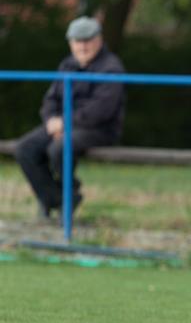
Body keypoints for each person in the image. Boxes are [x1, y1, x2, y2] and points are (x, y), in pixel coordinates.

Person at [14, 16, 125, 219]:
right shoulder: (67, 65)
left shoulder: (111, 68)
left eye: (87, 40)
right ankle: (58, 198)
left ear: (99, 40)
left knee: (58, 148)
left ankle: (60, 199)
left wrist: (65, 123)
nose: (82, 46)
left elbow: (101, 110)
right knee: (24, 148)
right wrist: (51, 120)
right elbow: (51, 99)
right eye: (77, 41)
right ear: (70, 43)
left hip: (99, 129)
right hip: (61, 126)